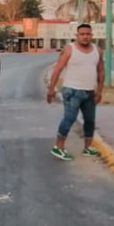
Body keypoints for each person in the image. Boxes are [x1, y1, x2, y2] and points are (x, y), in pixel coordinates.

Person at [45, 23, 104, 161]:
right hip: (72, 91)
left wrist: (99, 91)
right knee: (69, 119)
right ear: (77, 36)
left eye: (88, 34)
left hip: (89, 92)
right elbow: (58, 69)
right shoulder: (69, 49)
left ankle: (88, 147)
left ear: (92, 35)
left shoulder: (97, 50)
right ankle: (58, 147)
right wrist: (51, 89)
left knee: (90, 121)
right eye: (82, 34)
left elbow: (101, 71)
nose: (85, 37)